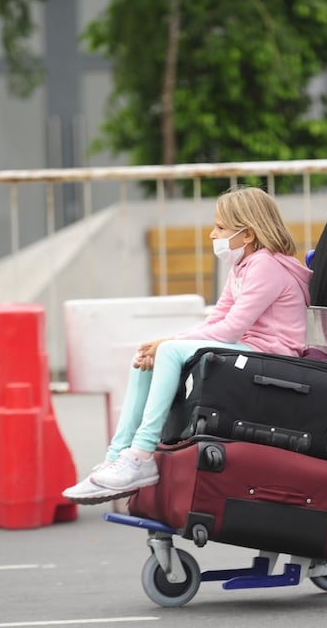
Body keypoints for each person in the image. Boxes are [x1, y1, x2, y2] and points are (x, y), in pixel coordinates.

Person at [63, 186, 312, 504]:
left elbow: (231, 328)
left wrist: (171, 342)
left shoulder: (266, 266)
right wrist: (165, 342)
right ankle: (117, 455)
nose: (212, 234)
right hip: (252, 350)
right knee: (147, 356)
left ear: (247, 234)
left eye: (220, 227)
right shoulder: (243, 266)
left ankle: (140, 455)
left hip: (273, 357)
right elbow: (217, 319)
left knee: (167, 351)